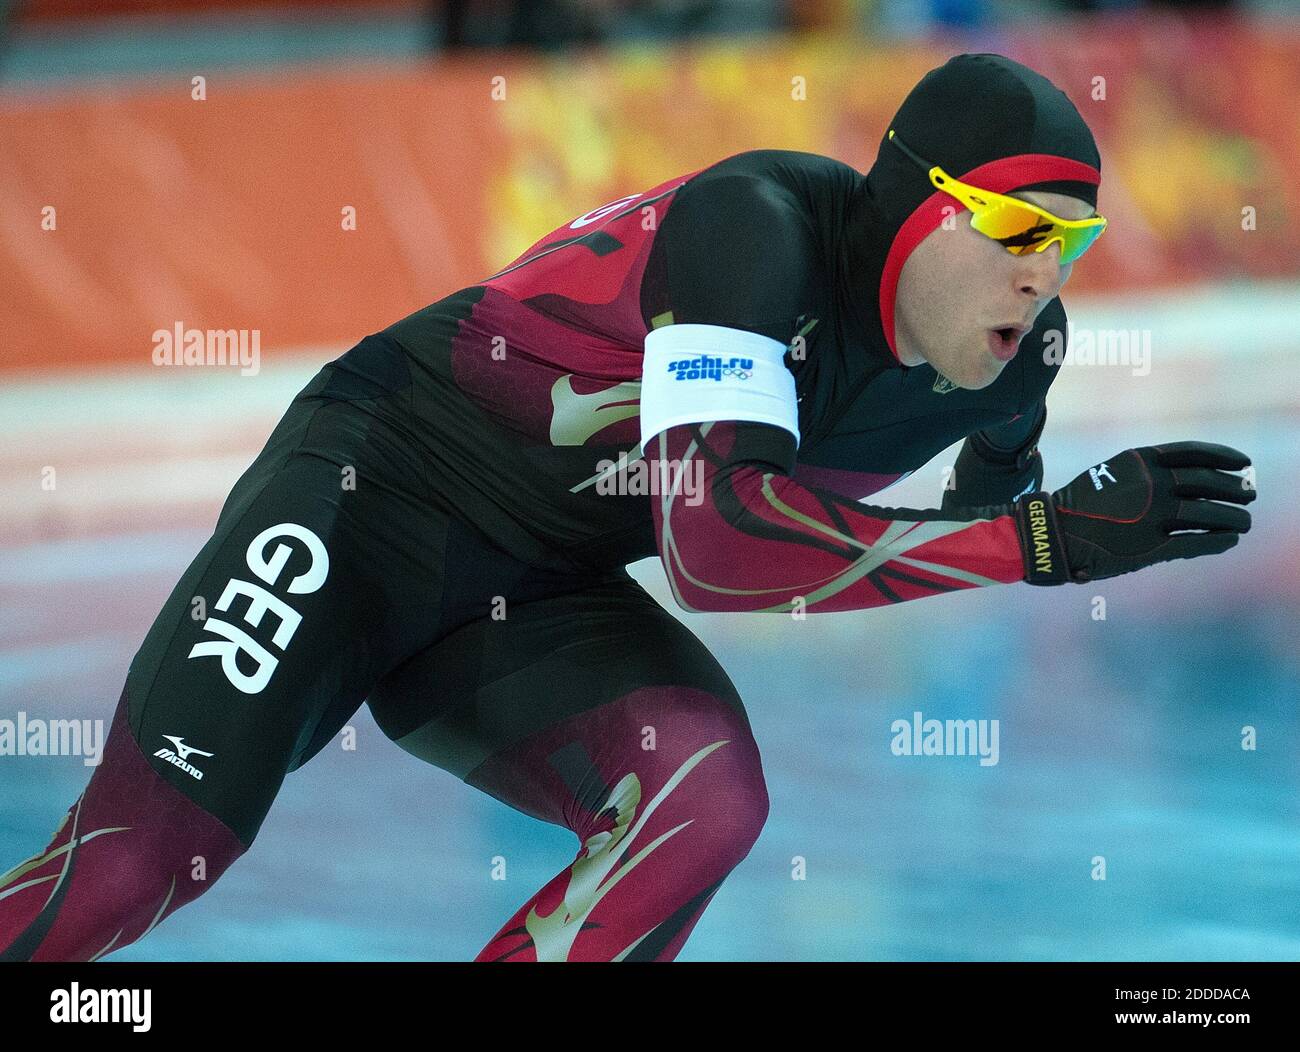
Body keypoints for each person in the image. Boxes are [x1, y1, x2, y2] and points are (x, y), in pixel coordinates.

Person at [0, 53, 1253, 962]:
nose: (1043, 274)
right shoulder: (753, 235)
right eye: (1018, 228)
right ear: (918, 211)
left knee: (704, 796)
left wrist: (1037, 529)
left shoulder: (1014, 357)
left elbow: (997, 504)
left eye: (1073, 244)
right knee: (130, 868)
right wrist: (1036, 544)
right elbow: (715, 550)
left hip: (532, 602)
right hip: (368, 494)